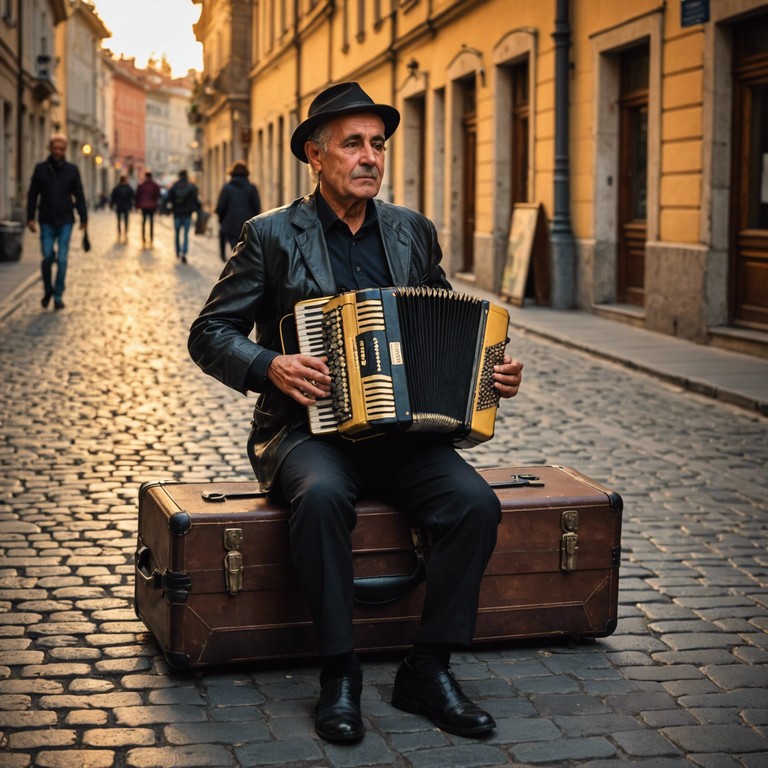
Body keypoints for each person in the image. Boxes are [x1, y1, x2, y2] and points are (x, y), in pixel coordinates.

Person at [187, 82, 524, 743]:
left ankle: (427, 668)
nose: (370, 156)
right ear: (315, 155)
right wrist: (271, 365)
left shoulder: (411, 231)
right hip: (306, 429)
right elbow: (210, 333)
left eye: (378, 144)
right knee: (319, 498)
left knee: (475, 505)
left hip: (406, 435)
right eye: (353, 144)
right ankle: (339, 672)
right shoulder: (271, 236)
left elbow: (454, 324)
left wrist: (490, 370)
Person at [26, 133, 88, 311]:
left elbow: (79, 195)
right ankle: (48, 290)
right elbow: (32, 194)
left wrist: (84, 219)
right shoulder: (40, 169)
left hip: (65, 220)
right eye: (55, 148)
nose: (57, 151)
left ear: (65, 150)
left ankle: (58, 295)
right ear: (50, 149)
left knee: (62, 260)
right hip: (45, 219)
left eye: (61, 149)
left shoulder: (72, 170)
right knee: (47, 256)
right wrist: (30, 218)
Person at [215, 160, 261, 261]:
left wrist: (222, 221)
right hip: (247, 225)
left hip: (230, 224)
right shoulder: (252, 188)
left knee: (235, 251)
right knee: (245, 252)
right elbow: (257, 208)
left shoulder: (227, 188)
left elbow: (220, 207)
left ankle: (237, 267)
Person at [165, 169, 201, 263]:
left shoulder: (174, 186)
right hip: (187, 214)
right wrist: (198, 209)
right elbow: (196, 201)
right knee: (186, 234)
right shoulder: (192, 187)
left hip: (177, 213)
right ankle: (184, 253)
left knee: (177, 234)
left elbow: (168, 199)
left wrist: (167, 209)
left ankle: (177, 251)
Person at [135, 171, 162, 246]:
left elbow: (137, 196)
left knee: (143, 222)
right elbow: (158, 195)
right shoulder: (155, 185)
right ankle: (151, 237)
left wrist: (137, 206)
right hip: (152, 206)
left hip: (144, 206)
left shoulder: (142, 185)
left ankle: (143, 237)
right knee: (151, 222)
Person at [110, 175, 135, 242]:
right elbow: (132, 196)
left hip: (119, 206)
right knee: (126, 220)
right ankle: (125, 232)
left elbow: (113, 197)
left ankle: (119, 232)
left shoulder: (116, 188)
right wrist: (132, 205)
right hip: (126, 206)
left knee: (119, 220)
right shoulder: (128, 188)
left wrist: (111, 205)